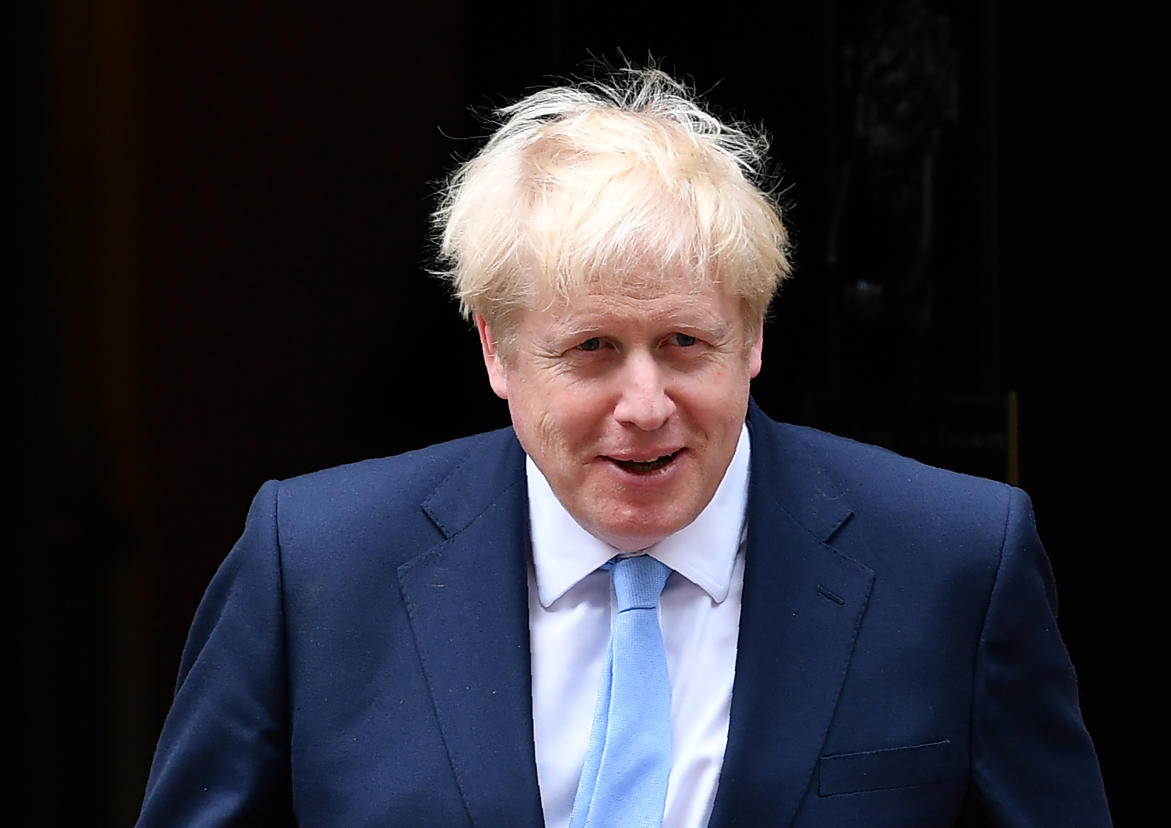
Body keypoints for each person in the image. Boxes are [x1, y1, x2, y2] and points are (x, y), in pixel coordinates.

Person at [137, 67, 1111, 826]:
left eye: (685, 344)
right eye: (593, 350)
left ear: (756, 335)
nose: (644, 404)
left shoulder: (954, 562)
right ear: (497, 349)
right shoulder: (313, 564)